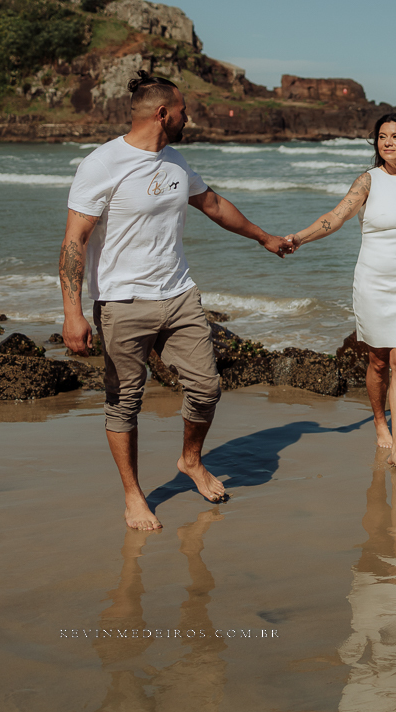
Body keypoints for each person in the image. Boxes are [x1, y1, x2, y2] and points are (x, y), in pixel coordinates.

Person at [60, 70, 291, 530]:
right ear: (163, 113)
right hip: (123, 302)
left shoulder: (177, 162)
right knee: (124, 402)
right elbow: (74, 242)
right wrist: (73, 313)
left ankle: (190, 460)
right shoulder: (102, 164)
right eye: (184, 110)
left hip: (180, 295)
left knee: (206, 389)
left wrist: (263, 237)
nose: (190, 117)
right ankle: (133, 494)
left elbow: (214, 205)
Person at [286, 113, 396, 472]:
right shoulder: (368, 181)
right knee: (377, 361)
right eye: (381, 137)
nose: (387, 142)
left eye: (395, 136)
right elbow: (337, 216)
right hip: (372, 282)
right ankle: (379, 421)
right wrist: (299, 238)